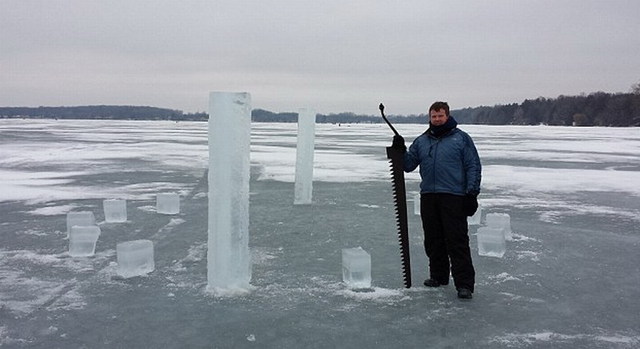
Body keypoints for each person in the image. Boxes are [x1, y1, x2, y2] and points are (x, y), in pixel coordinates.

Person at [392, 101, 481, 299]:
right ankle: (438, 276)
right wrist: (400, 150)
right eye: (434, 116)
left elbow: (473, 166)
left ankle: (464, 284)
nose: (437, 119)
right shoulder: (422, 141)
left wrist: (471, 193)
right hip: (429, 196)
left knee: (457, 240)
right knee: (433, 239)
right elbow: (408, 165)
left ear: (447, 116)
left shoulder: (461, 139)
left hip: (454, 196)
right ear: (430, 117)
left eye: (440, 116)